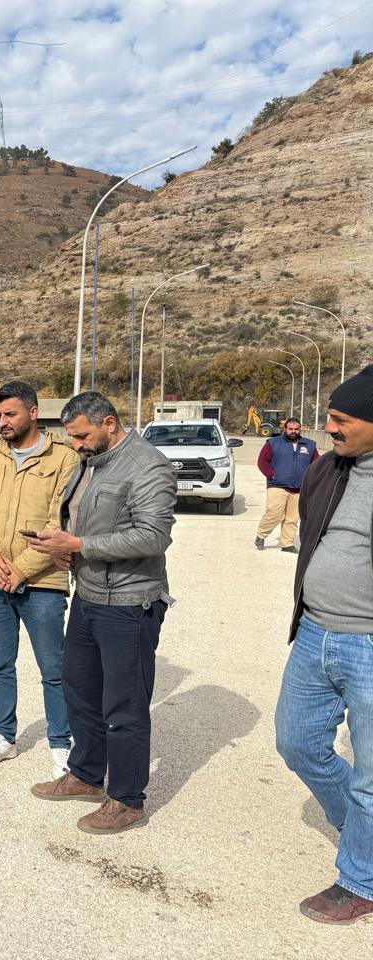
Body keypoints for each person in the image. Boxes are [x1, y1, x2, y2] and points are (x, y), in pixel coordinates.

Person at [25, 391, 176, 834]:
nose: (75, 445)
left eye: (81, 436)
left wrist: (79, 545)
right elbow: (82, 520)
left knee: (124, 706)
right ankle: (87, 775)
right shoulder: (89, 461)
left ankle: (127, 800)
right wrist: (64, 548)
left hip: (130, 603)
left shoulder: (148, 466)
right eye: (71, 438)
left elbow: (153, 536)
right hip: (89, 595)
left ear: (109, 423)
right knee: (80, 689)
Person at [275, 365, 373, 925]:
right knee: (297, 743)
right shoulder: (327, 468)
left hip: (369, 645)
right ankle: (362, 829)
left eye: (341, 419)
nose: (328, 428)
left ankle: (360, 880)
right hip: (313, 631)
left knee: (371, 777)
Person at [0, 381, 79, 777]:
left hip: (43, 581)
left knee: (54, 668)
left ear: (33, 412)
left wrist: (21, 570)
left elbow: (60, 522)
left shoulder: (63, 458)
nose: (3, 422)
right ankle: (4, 735)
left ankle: (61, 742)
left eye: (10, 414)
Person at [255, 417, 318, 552]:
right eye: (290, 429)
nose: (293, 431)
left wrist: (310, 480)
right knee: (274, 513)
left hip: (299, 488)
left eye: (296, 429)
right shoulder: (273, 443)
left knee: (292, 518)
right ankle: (261, 535)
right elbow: (262, 462)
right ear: (285, 429)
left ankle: (287, 544)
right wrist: (272, 475)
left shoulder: (309, 445)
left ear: (300, 429)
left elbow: (316, 465)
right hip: (278, 485)